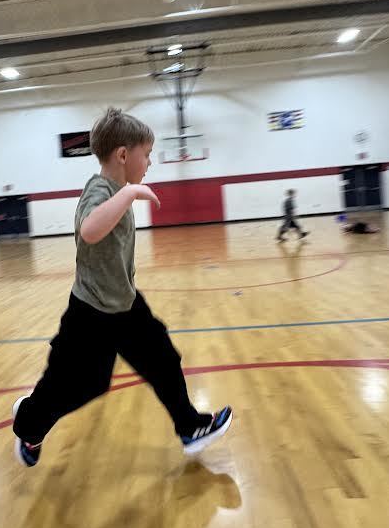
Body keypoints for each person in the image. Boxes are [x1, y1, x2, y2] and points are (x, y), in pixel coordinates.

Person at [12, 107, 233, 468]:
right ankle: (28, 424)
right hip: (91, 312)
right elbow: (89, 230)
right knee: (84, 383)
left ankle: (190, 427)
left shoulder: (117, 190)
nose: (150, 162)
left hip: (125, 304)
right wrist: (130, 194)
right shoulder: (99, 190)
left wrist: (127, 193)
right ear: (123, 155)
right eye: (147, 154)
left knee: (164, 360)